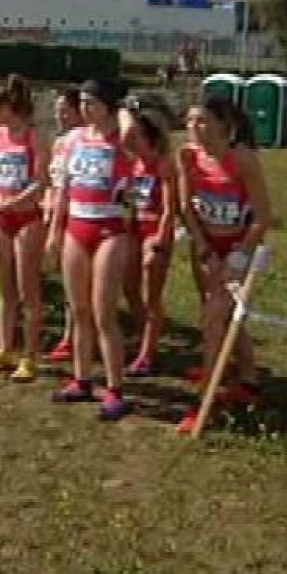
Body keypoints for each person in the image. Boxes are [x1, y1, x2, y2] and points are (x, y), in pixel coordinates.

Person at [176, 95, 272, 434]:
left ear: (222, 124)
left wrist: (239, 254)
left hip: (239, 245)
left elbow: (263, 216)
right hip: (207, 245)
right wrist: (204, 248)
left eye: (201, 121)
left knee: (213, 318)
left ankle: (205, 403)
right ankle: (248, 378)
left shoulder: (241, 159)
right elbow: (186, 208)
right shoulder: (189, 157)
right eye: (188, 122)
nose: (194, 129)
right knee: (227, 313)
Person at [48, 78, 134, 422]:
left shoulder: (123, 140)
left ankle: (115, 388)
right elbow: (63, 189)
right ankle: (81, 378)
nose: (84, 109)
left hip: (110, 228)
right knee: (78, 309)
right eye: (81, 102)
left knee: (103, 313)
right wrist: (55, 231)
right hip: (76, 226)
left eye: (92, 103)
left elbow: (128, 128)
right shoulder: (73, 140)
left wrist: (120, 110)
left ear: (110, 106)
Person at [0, 75, 49, 383]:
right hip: (1, 217)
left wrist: (11, 204)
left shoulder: (33, 137)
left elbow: (40, 182)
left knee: (27, 289)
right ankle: (5, 348)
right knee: (4, 288)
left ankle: (31, 354)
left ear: (9, 106)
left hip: (26, 218)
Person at [121, 103, 177, 377]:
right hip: (136, 228)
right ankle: (142, 333)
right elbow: (131, 200)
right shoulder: (135, 165)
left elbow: (169, 207)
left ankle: (147, 353)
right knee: (129, 286)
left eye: (138, 137)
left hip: (155, 230)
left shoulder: (163, 165)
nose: (132, 142)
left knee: (150, 293)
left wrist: (161, 239)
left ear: (152, 138)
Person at [45, 88, 84, 363]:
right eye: (57, 110)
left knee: (79, 282)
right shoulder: (59, 142)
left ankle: (73, 336)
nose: (59, 115)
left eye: (65, 110)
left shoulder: (84, 141)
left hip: (80, 213)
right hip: (55, 211)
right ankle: (70, 334)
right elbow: (54, 181)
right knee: (65, 277)